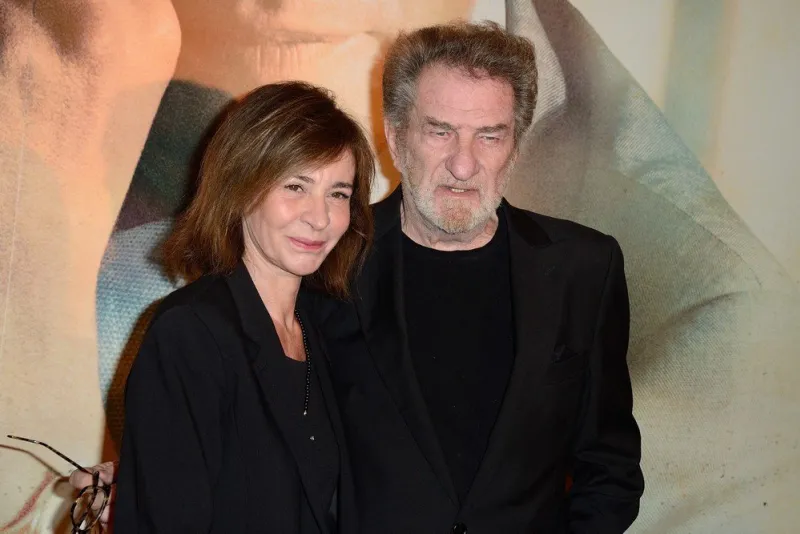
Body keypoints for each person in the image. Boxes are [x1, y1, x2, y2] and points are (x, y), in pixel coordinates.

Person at [74, 21, 643, 533]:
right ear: (396, 136)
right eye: (440, 131)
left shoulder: (583, 270)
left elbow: (610, 469)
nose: (464, 163)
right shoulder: (328, 268)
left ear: (513, 146)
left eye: (489, 135)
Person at [107, 81, 374, 533]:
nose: (320, 217)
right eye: (296, 186)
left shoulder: (321, 329)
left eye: (339, 193)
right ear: (241, 186)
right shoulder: (190, 334)